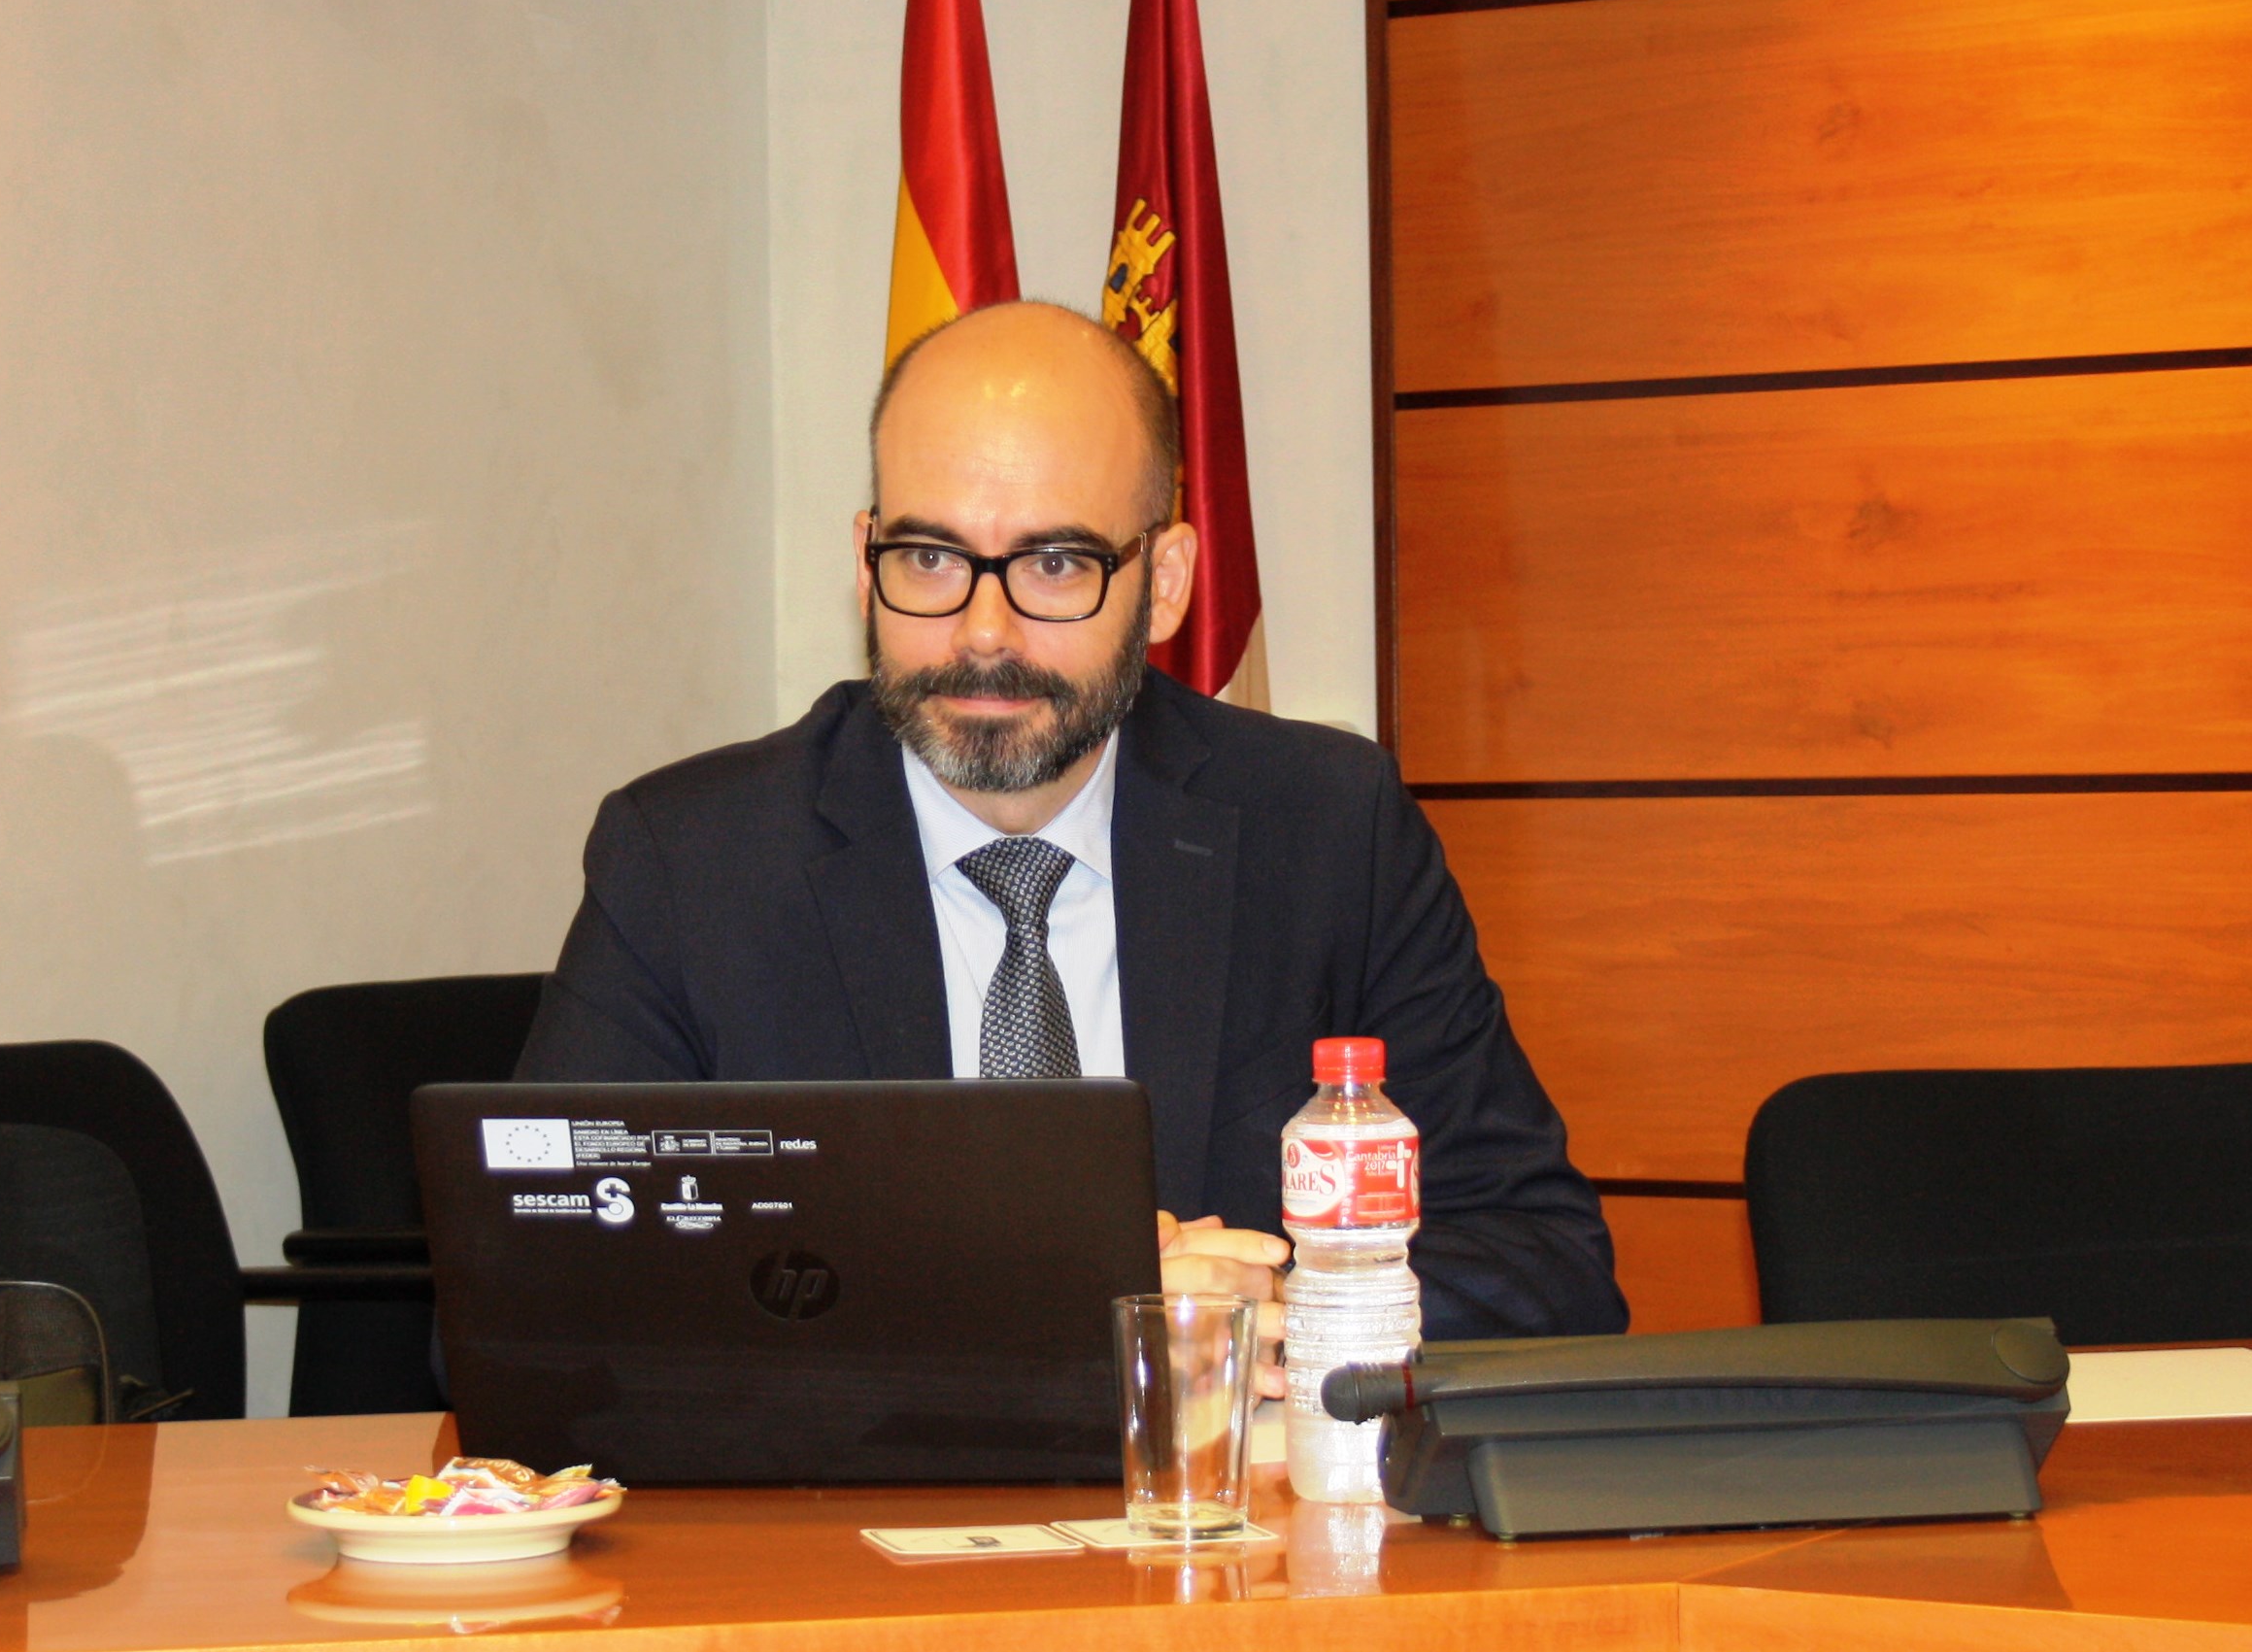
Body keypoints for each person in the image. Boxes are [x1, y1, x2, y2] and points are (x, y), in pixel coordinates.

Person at [519, 301, 1625, 1349]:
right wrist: (1002, 1309)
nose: (982, 631)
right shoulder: (692, 860)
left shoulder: (1328, 831)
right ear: (864, 564)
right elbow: (538, 1290)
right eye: (929, 558)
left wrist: (1278, 1303)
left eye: (1055, 565)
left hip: (1213, 1484)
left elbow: (1546, 1261)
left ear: (1167, 580)